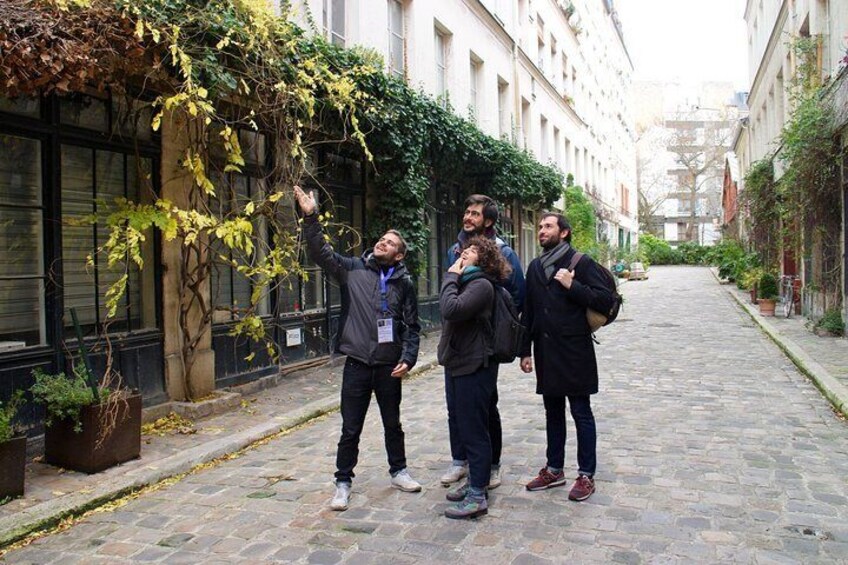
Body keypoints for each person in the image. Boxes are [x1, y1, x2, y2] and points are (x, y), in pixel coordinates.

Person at [294, 186, 422, 512]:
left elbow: (411, 326)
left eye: (391, 243)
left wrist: (408, 358)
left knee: (392, 423)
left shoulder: (404, 283)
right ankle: (342, 482)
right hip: (356, 364)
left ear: (399, 255)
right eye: (382, 239)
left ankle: (399, 471)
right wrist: (310, 217)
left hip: (388, 365)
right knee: (351, 427)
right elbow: (321, 253)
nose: (382, 242)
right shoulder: (352, 269)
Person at [519, 212, 615, 501]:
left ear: (564, 233)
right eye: (540, 227)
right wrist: (524, 350)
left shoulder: (580, 263)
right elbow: (529, 310)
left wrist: (573, 286)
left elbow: (605, 301)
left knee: (581, 412)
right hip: (546, 352)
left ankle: (586, 474)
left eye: (548, 226)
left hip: (575, 352)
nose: (541, 231)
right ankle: (554, 469)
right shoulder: (535, 267)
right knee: (552, 413)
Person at [441, 194, 525, 491]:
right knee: (455, 405)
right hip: (457, 340)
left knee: (484, 406)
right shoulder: (455, 249)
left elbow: (516, 298)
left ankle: (490, 466)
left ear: (488, 221)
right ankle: (460, 461)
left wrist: (491, 321)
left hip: (482, 344)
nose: (468, 217)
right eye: (466, 211)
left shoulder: (504, 253)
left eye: (475, 213)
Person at [438, 236, 512, 519]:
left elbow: (450, 309)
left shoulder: (480, 285)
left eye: (469, 252)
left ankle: (478, 495)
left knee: (474, 430)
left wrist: (450, 277)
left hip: (474, 365)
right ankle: (475, 482)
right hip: (461, 362)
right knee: (466, 426)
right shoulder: (472, 282)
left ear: (483, 259)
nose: (462, 253)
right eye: (463, 250)